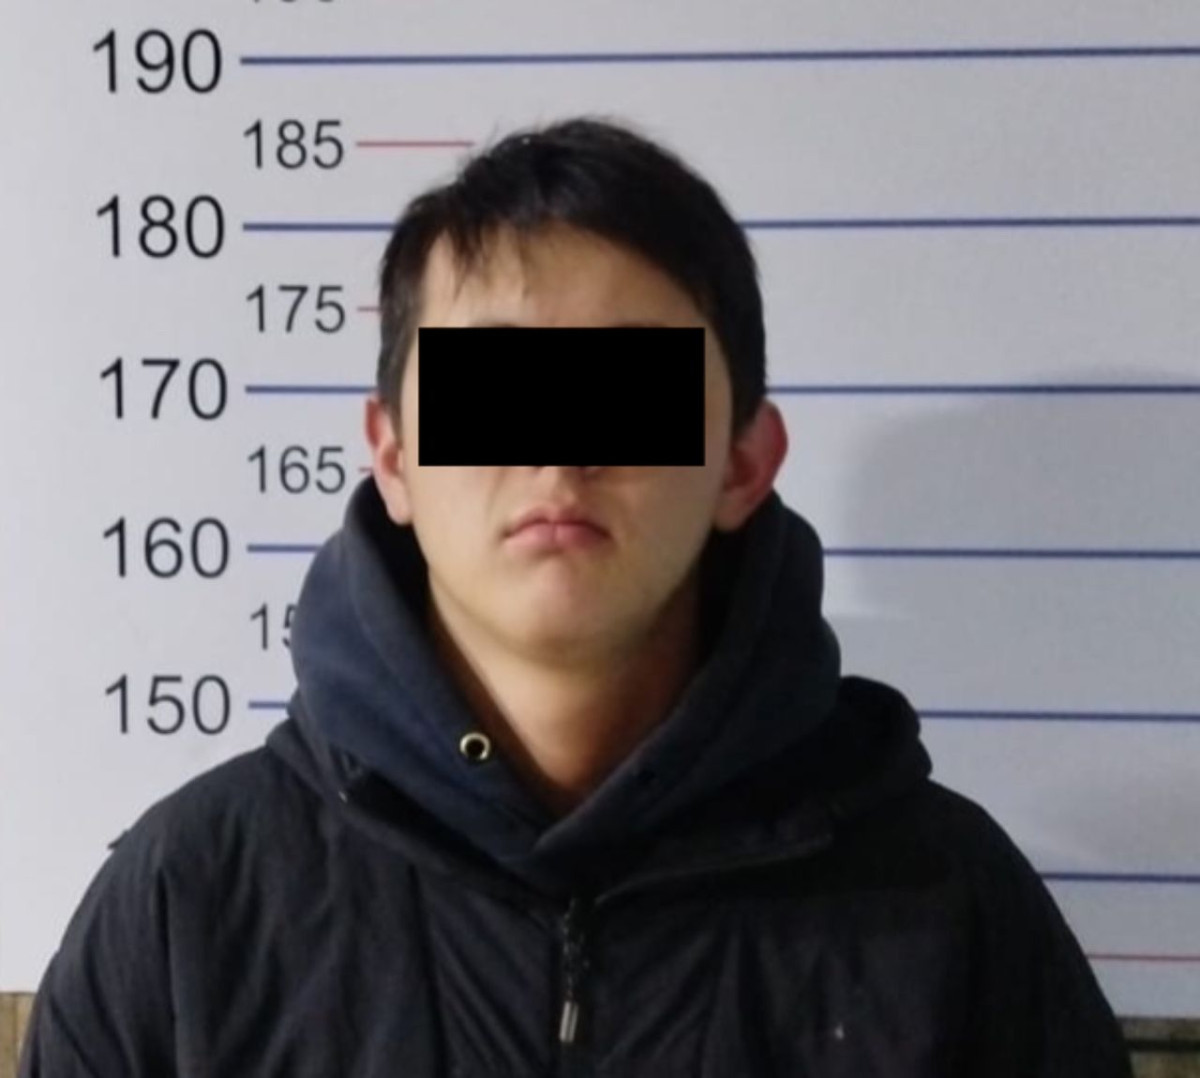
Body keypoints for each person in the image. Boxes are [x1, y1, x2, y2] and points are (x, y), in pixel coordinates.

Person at [19, 115, 1132, 1077]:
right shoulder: (189, 905)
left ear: (744, 462)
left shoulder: (951, 911)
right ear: (394, 456)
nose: (558, 456)